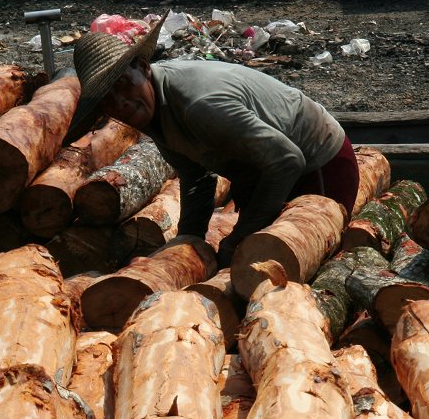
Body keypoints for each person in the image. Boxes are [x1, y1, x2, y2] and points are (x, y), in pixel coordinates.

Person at [65, 15, 359, 266]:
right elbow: (197, 178)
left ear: (142, 68)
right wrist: (186, 241)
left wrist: (241, 235)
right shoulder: (153, 109)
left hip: (317, 165)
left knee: (298, 269)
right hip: (260, 167)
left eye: (123, 85)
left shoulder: (200, 105)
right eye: (108, 100)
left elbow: (286, 160)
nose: (122, 104)